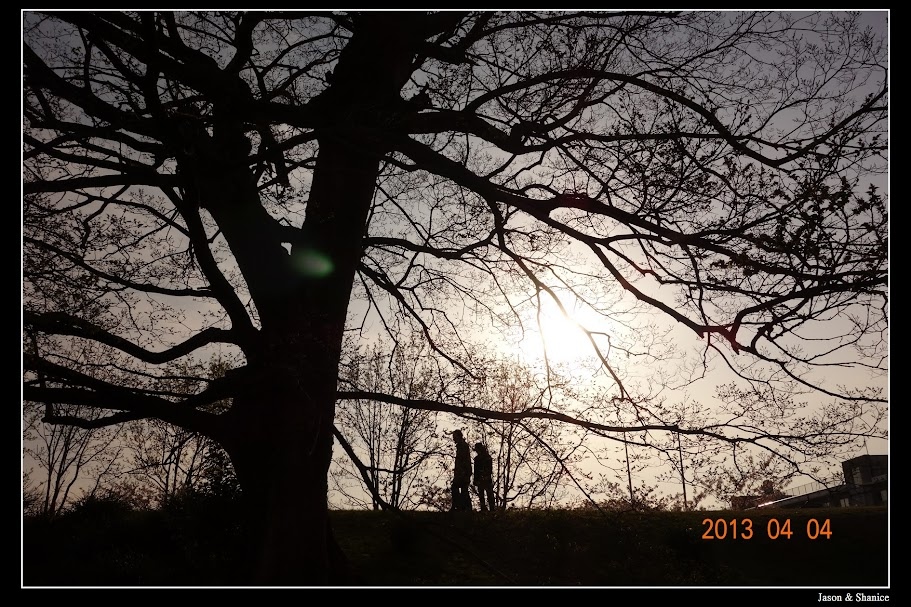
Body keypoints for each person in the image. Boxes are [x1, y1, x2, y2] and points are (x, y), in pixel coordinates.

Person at [450, 430, 472, 511]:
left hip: (463, 472)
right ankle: (463, 507)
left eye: (454, 436)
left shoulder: (462, 446)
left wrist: (463, 472)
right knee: (463, 489)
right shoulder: (462, 445)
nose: (453, 439)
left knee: (459, 488)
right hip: (462, 472)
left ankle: (460, 507)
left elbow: (464, 460)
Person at [473, 442, 496, 512]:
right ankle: (485, 509)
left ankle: (491, 509)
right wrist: (476, 479)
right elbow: (476, 471)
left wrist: (483, 476)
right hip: (482, 479)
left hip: (486, 479)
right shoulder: (479, 458)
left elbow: (489, 469)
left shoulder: (486, 458)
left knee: (488, 495)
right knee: (483, 495)